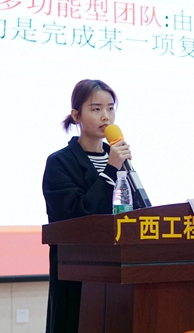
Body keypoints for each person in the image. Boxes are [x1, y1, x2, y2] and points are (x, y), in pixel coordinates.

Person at [41, 79, 132, 333]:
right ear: (76, 115)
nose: (106, 116)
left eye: (110, 108)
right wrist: (111, 169)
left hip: (118, 276)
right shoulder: (60, 163)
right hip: (77, 279)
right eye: (96, 109)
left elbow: (134, 212)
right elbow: (79, 216)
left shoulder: (120, 159)